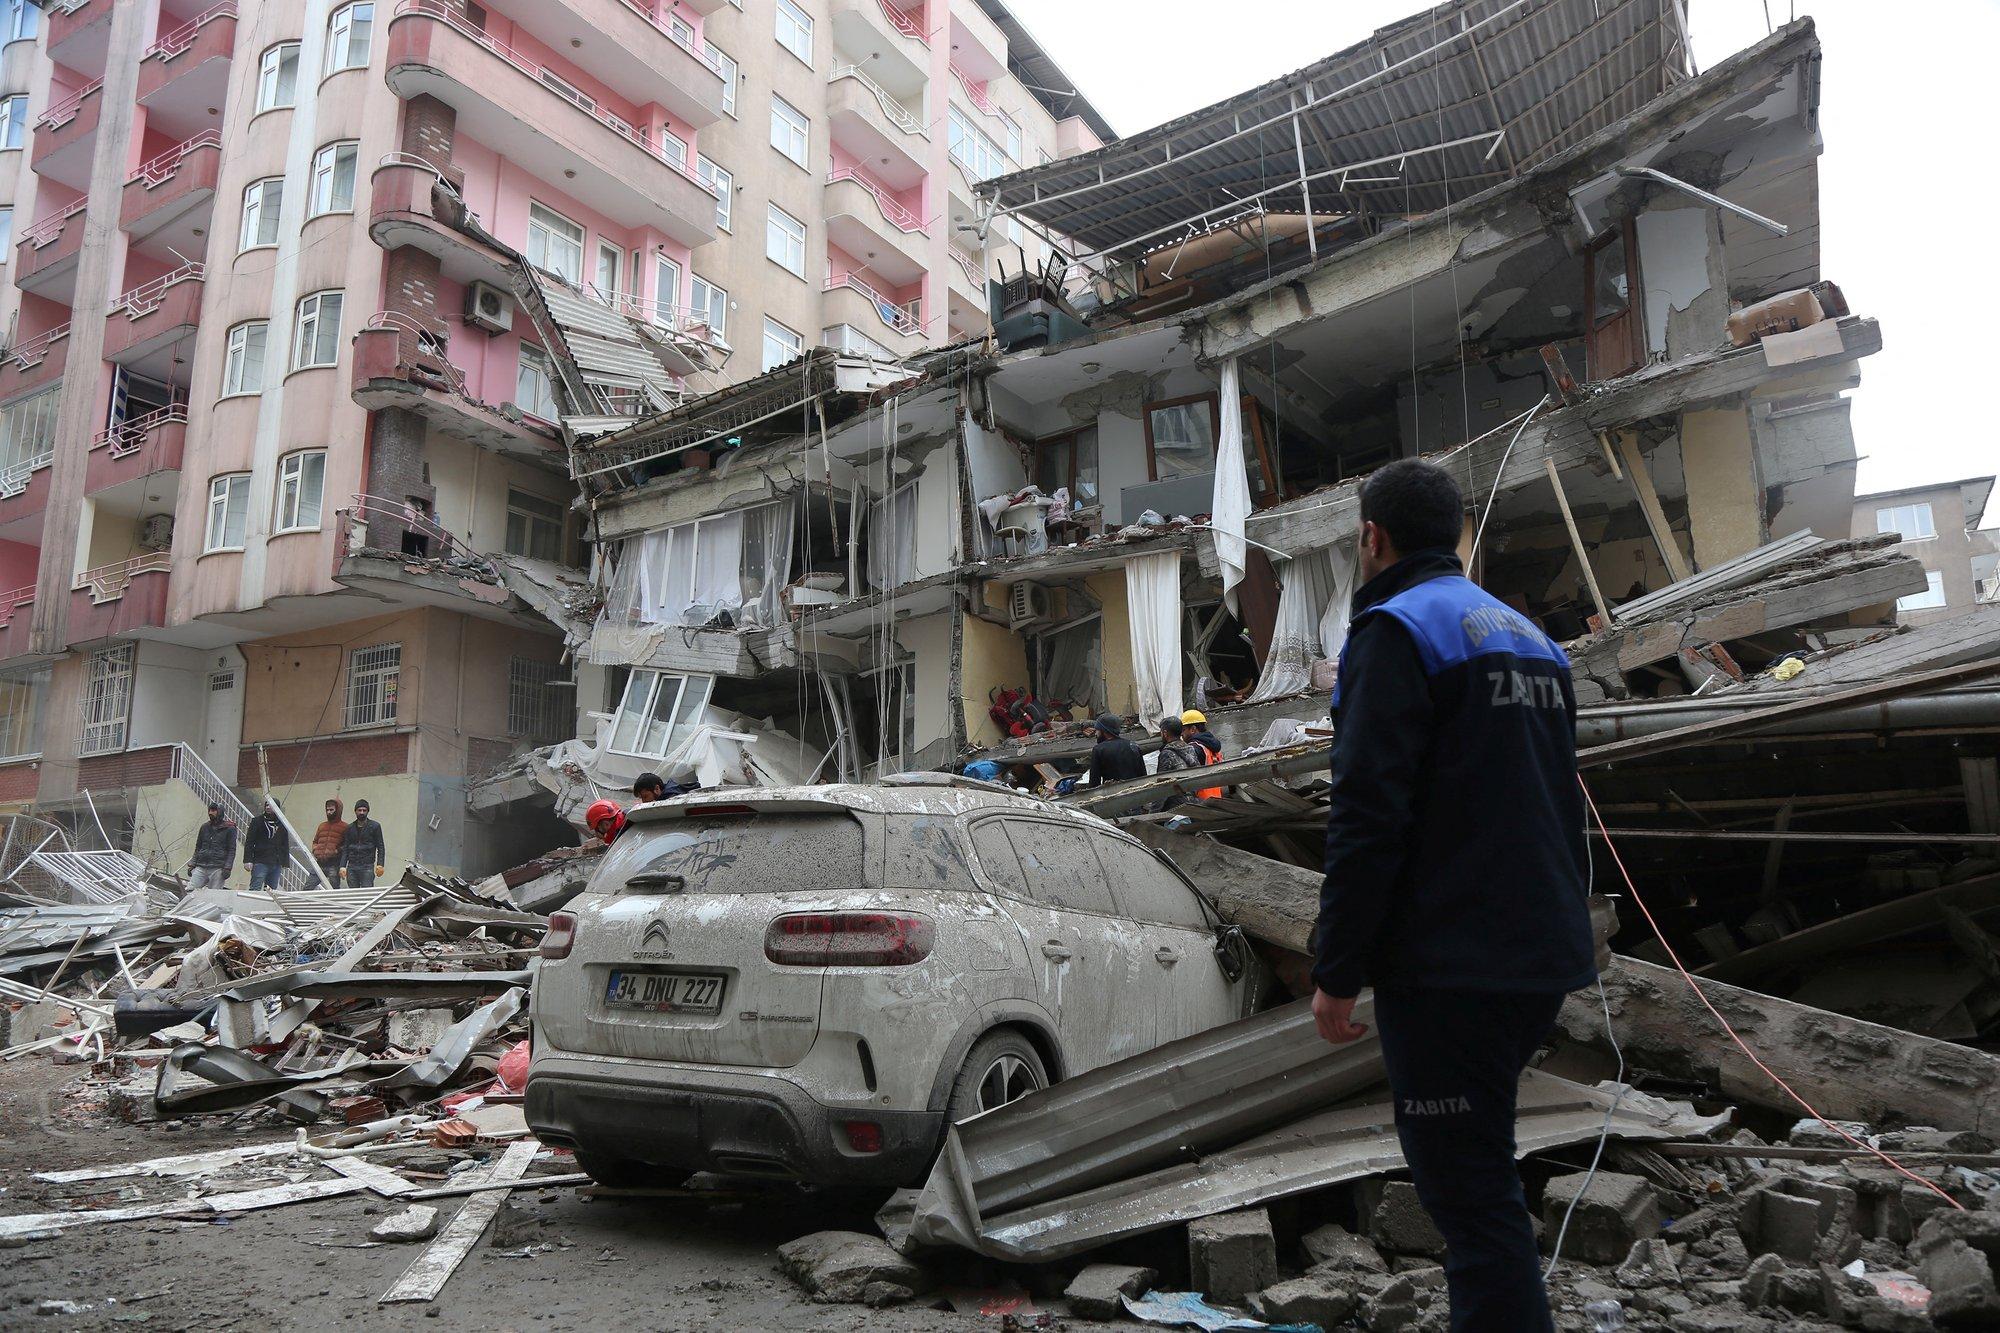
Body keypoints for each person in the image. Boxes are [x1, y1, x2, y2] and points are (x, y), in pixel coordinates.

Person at [1311, 459, 1595, 1333]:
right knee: (1482, 1172)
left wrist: (1337, 968)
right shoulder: (1531, 638)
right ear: (1459, 534)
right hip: (1535, 956)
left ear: (1372, 537)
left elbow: (1369, 814)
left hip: (1451, 969)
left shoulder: (1396, 630)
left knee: (1470, 1199)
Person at [183, 802, 236, 892]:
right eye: (210, 810)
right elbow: (198, 847)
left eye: (213, 810)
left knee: (213, 895)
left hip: (218, 868)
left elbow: (232, 850)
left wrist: (227, 867)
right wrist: (192, 864)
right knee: (190, 891)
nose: (210, 813)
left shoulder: (229, 829)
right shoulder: (205, 827)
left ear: (220, 812)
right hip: (201, 866)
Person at [1153, 716, 1201, 810]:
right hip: (1193, 802)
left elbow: (1162, 787)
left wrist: (1153, 813)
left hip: (1175, 808)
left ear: (1165, 733)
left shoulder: (1167, 753)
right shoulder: (1190, 749)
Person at [1083, 714, 1145, 787]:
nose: (1096, 734)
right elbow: (1143, 776)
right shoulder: (1133, 745)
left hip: (1113, 794)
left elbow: (1094, 782)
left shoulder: (1098, 750)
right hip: (1135, 792)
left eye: (1097, 730)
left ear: (1104, 730)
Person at [339, 798, 387, 888]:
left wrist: (380, 864)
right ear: (355, 811)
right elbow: (346, 848)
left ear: (368, 811)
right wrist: (342, 866)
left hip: (367, 866)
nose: (361, 812)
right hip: (352, 866)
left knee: (367, 893)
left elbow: (381, 847)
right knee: (353, 894)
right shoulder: (350, 828)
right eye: (359, 810)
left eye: (364, 810)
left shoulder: (375, 826)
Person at [243, 800, 290, 891]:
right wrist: (247, 860)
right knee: (255, 888)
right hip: (260, 861)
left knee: (271, 891)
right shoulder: (257, 821)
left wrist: (285, 862)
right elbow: (249, 842)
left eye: (271, 805)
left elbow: (284, 844)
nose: (268, 807)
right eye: (267, 805)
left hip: (276, 862)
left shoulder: (282, 824)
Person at [1180, 709, 1226, 800]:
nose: (1181, 734)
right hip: (1217, 797)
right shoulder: (1212, 746)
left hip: (1202, 800)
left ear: (1193, 729)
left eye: (1183, 730)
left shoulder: (1194, 748)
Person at [311, 799, 348, 884]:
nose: (329, 812)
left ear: (338, 810)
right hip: (319, 862)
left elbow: (347, 845)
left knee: (333, 889)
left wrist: (337, 851)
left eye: (331, 810)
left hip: (334, 864)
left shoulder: (345, 827)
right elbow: (315, 841)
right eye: (327, 810)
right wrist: (315, 849)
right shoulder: (322, 826)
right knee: (308, 888)